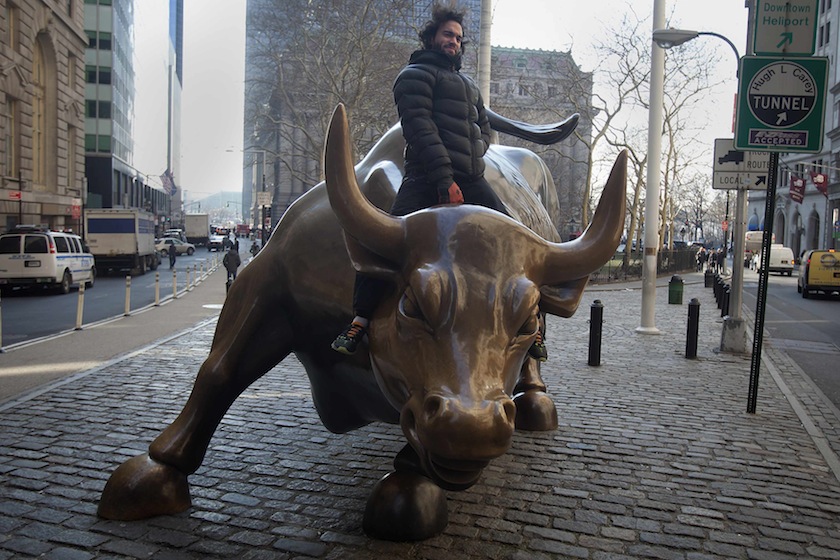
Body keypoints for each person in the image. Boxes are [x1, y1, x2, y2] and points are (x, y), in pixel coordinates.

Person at [331, 2, 547, 362]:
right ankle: (360, 321)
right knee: (381, 241)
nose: (454, 41)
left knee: (513, 240)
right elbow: (420, 130)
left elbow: (483, 130)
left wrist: (474, 158)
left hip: (471, 178)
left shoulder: (468, 85)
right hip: (424, 177)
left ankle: (533, 323)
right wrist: (446, 179)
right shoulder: (412, 75)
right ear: (432, 36)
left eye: (459, 38)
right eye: (448, 34)